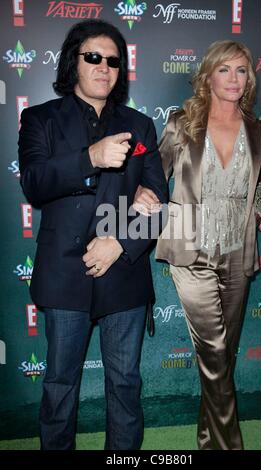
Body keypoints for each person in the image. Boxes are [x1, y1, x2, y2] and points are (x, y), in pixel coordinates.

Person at [18, 19, 168, 450]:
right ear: (74, 62)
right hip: (65, 277)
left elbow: (159, 202)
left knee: (125, 386)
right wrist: (90, 158)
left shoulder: (140, 126)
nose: (104, 67)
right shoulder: (40, 118)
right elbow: (35, 182)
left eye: (114, 61)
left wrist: (120, 242)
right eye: (94, 57)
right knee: (60, 387)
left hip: (125, 274)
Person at [135, 40, 261, 450]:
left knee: (221, 361)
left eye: (242, 70)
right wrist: (138, 199)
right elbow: (155, 176)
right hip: (191, 253)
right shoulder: (181, 124)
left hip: (238, 255)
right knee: (215, 354)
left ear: (250, 78)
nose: (234, 79)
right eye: (225, 70)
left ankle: (208, 441)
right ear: (208, 75)